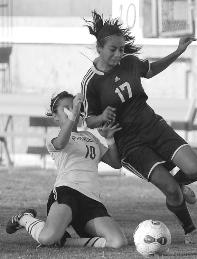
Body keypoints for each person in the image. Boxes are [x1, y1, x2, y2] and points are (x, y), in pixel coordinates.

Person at [81, 11, 197, 245]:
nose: (119, 54)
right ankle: (189, 230)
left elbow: (150, 70)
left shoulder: (129, 62)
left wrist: (178, 51)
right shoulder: (91, 81)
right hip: (130, 143)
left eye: (121, 48)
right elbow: (89, 120)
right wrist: (101, 118)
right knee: (171, 190)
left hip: (153, 126)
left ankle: (179, 184)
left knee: (196, 169)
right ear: (99, 48)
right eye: (113, 49)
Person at [6, 91, 127, 249]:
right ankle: (25, 218)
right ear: (55, 116)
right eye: (66, 108)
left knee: (118, 242)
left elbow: (116, 163)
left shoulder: (90, 137)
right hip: (67, 192)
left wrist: (110, 139)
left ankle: (65, 241)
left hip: (91, 200)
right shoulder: (55, 138)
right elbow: (62, 143)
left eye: (75, 106)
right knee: (47, 238)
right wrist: (73, 115)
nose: (73, 110)